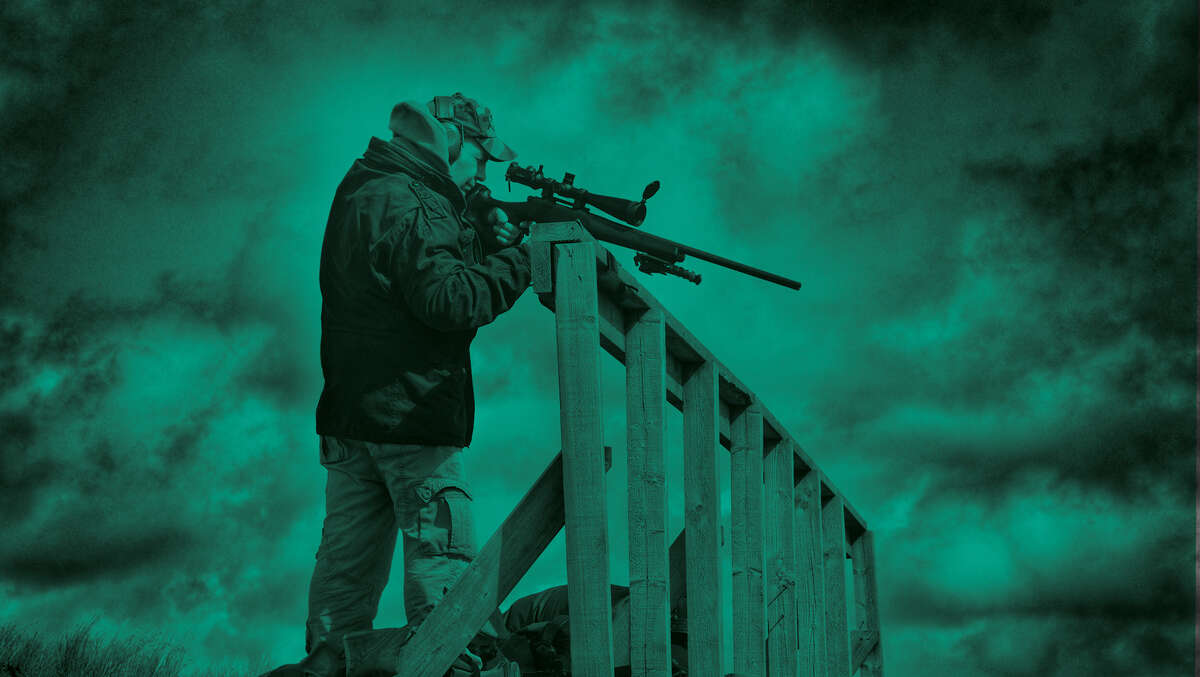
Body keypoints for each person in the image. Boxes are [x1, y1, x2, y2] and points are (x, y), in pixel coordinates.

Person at [261, 93, 531, 677]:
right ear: (450, 143)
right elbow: (449, 297)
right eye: (480, 159)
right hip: (412, 415)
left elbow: (400, 277)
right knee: (444, 574)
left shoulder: (364, 186)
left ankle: (326, 669)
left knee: (343, 579)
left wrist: (478, 231)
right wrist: (521, 262)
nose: (483, 173)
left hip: (352, 418)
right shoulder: (420, 202)